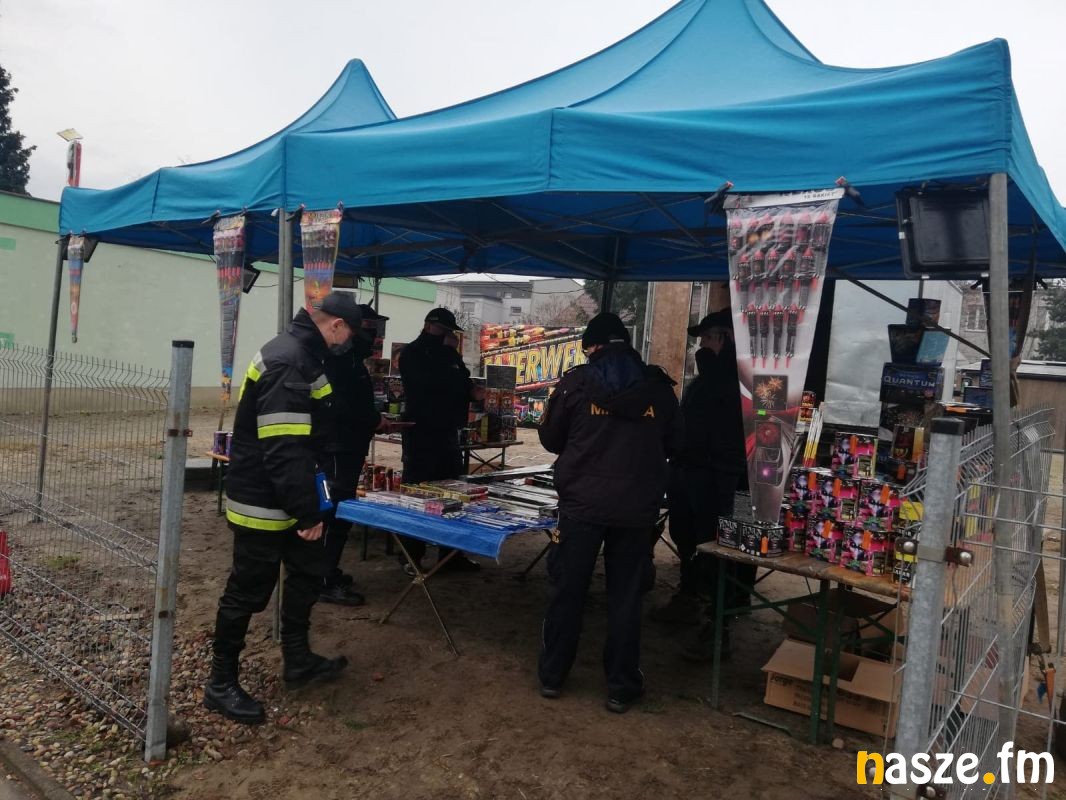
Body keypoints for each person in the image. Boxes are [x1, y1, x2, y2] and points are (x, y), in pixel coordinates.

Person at [203, 292, 359, 725]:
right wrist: (306, 512)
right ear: (336, 326)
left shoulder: (303, 355)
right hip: (265, 503)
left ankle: (298, 660)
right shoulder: (289, 361)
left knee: (307, 576)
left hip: (293, 497)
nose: (348, 343)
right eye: (350, 334)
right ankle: (220, 683)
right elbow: (284, 447)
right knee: (247, 592)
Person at [537, 312, 682, 713]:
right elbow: (677, 443)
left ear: (594, 346)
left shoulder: (575, 383)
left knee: (567, 591)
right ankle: (621, 686)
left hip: (581, 506)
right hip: (636, 509)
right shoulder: (659, 389)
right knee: (626, 598)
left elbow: (550, 439)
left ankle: (552, 676)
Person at [649, 309, 753, 661]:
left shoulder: (741, 380)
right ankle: (689, 598)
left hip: (723, 479)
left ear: (727, 338)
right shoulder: (706, 378)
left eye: (707, 338)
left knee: (720, 551)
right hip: (692, 474)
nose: (701, 346)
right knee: (690, 541)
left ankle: (717, 626)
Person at [317, 303, 393, 606]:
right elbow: (343, 406)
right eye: (370, 331)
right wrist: (374, 420)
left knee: (338, 512)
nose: (375, 339)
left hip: (346, 447)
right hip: (337, 449)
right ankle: (321, 579)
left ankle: (326, 572)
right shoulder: (338, 361)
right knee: (333, 513)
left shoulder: (350, 360)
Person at [398, 308, 483, 573]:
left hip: (448, 433)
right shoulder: (412, 353)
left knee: (452, 493)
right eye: (443, 330)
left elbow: (464, 384)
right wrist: (446, 356)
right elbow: (431, 385)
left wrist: (479, 393)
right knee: (418, 494)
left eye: (450, 331)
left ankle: (451, 555)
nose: (447, 335)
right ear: (428, 326)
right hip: (421, 434)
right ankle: (412, 557)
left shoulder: (450, 355)